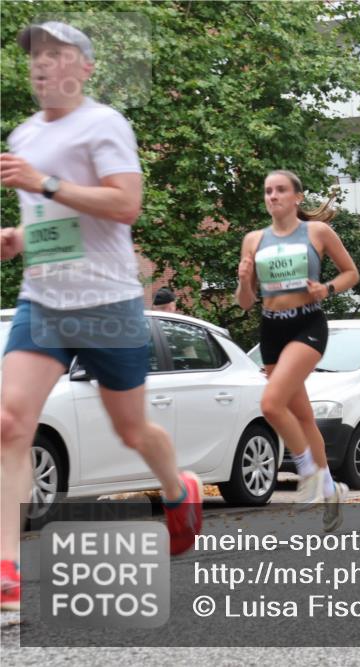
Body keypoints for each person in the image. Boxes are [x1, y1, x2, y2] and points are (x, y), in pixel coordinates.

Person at [0, 21, 202, 612]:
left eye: (58, 55)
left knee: (131, 430)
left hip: (108, 301)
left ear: (85, 68)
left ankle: (177, 489)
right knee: (10, 423)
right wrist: (18, 237)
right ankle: (7, 564)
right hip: (43, 300)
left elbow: (125, 204)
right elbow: (51, 223)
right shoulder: (24, 133)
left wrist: (47, 182)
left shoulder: (105, 124)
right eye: (37, 56)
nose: (43, 65)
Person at [235, 170, 359, 532]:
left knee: (271, 404)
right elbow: (244, 303)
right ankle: (331, 489)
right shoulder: (253, 240)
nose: (272, 196)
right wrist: (244, 280)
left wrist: (327, 289)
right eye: (268, 191)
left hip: (307, 325)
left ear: (297, 197)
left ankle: (308, 473)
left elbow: (351, 273)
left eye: (280, 190)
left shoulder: (317, 233)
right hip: (272, 329)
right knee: (302, 416)